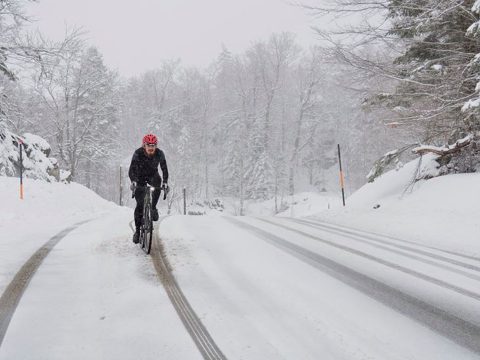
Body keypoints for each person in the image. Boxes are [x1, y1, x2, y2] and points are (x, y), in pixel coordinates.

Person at [129, 133, 169, 243]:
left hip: (152, 176)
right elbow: (132, 170)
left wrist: (165, 182)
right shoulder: (137, 153)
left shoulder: (160, 153)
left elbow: (164, 169)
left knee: (158, 181)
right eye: (149, 145)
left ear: (156, 146)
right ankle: (137, 231)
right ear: (144, 145)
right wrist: (133, 182)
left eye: (153, 145)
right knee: (140, 205)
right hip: (139, 178)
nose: (151, 148)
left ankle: (153, 207)